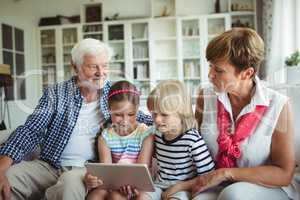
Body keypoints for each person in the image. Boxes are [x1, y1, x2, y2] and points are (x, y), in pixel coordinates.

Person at [0, 38, 152, 200]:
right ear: (75, 67)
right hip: (48, 165)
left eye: (105, 65)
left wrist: (174, 123)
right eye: (93, 66)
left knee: (69, 183)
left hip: (86, 170)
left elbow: (138, 118)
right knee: (10, 178)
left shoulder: (113, 95)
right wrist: (2, 168)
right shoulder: (56, 93)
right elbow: (31, 130)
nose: (101, 73)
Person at [165, 28, 298, 200]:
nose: (210, 74)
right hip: (213, 183)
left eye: (219, 70)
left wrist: (226, 173)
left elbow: (283, 173)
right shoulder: (206, 97)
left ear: (247, 73)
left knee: (233, 194)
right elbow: (189, 144)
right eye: (210, 66)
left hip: (263, 187)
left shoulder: (278, 105)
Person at [145, 80, 215, 200]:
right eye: (154, 114)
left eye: (164, 114)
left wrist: (178, 187)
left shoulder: (192, 140)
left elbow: (209, 176)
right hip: (159, 185)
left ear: (181, 113)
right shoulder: (157, 135)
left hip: (183, 189)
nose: (157, 119)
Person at [84, 80, 154, 200]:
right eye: (118, 115)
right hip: (115, 183)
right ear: (109, 109)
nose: (125, 121)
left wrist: (128, 186)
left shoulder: (146, 134)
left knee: (124, 197)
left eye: (131, 114)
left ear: (137, 110)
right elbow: (107, 171)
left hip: (139, 184)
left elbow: (142, 171)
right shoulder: (105, 137)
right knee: (95, 196)